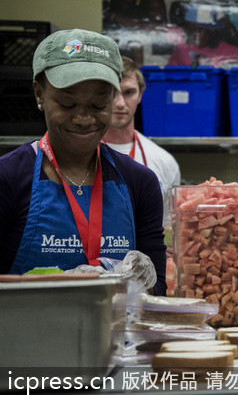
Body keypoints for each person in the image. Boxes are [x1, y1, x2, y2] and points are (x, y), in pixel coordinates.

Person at [0, 30, 167, 294]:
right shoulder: (7, 177)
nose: (83, 119)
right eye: (67, 104)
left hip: (114, 334)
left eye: (99, 105)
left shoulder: (140, 182)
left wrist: (141, 287)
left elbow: (157, 290)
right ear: (39, 93)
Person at [103, 56, 182, 229]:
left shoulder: (164, 161)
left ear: (141, 94)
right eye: (112, 93)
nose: (120, 103)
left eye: (129, 92)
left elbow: (168, 228)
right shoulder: (80, 154)